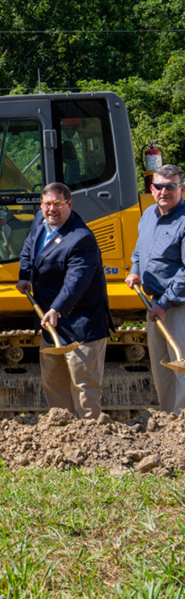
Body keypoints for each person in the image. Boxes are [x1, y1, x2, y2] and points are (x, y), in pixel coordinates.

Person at [16, 182, 110, 419]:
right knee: (54, 386)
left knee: (84, 389)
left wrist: (57, 308)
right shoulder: (41, 220)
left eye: (58, 204)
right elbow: (29, 246)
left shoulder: (81, 238)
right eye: (47, 204)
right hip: (51, 324)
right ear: (41, 204)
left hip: (81, 324)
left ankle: (90, 441)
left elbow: (76, 281)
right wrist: (25, 275)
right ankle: (63, 438)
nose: (51, 209)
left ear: (69, 204)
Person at [127, 164, 185, 414]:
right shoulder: (149, 214)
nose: (165, 192)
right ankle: (169, 420)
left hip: (178, 307)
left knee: (180, 364)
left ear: (182, 188)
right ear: (152, 189)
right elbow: (141, 249)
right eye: (159, 186)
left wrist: (164, 303)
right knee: (162, 367)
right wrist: (135, 269)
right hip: (154, 304)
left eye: (171, 186)